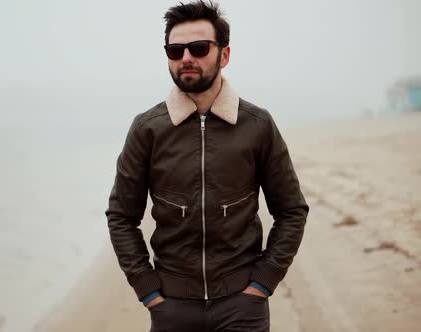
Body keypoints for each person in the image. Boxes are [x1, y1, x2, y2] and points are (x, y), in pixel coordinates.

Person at [105, 1, 309, 331]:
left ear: (224, 55)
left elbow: (292, 210)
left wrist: (262, 284)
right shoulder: (148, 128)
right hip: (172, 307)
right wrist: (147, 290)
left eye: (199, 48)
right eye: (175, 50)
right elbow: (121, 216)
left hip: (242, 306)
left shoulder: (257, 125)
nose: (186, 58)